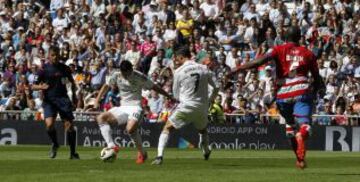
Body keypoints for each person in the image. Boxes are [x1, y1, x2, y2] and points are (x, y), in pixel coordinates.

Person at [228, 26, 325, 169]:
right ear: (299, 38)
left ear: (285, 38)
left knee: (290, 127)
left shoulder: (278, 49)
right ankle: (302, 134)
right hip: (301, 90)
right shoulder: (308, 53)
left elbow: (258, 62)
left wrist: (238, 68)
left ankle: (300, 159)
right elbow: (317, 79)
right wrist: (316, 92)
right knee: (305, 125)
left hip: (283, 94)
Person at [94, 60, 174, 164]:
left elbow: (154, 87)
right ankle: (111, 146)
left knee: (130, 129)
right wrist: (97, 100)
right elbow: (105, 86)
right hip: (123, 107)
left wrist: (168, 96)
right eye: (124, 73)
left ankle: (142, 153)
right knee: (101, 118)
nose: (126, 76)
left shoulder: (139, 76)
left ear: (131, 70)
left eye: (127, 73)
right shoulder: (116, 75)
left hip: (136, 107)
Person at [151, 46, 219, 165]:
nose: (176, 61)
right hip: (202, 106)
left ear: (182, 57)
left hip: (187, 106)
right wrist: (210, 100)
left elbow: (176, 96)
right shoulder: (204, 68)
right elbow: (217, 87)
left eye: (177, 58)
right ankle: (206, 150)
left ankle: (159, 157)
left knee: (167, 128)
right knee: (202, 130)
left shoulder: (179, 71)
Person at [31, 46, 79, 159]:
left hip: (63, 99)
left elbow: (72, 83)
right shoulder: (43, 69)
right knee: (49, 125)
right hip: (49, 101)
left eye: (57, 54)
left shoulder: (65, 68)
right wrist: (41, 86)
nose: (55, 57)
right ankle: (55, 143)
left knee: (69, 126)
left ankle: (73, 153)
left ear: (59, 55)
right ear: (49, 56)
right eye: (53, 55)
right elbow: (33, 86)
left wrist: (75, 97)